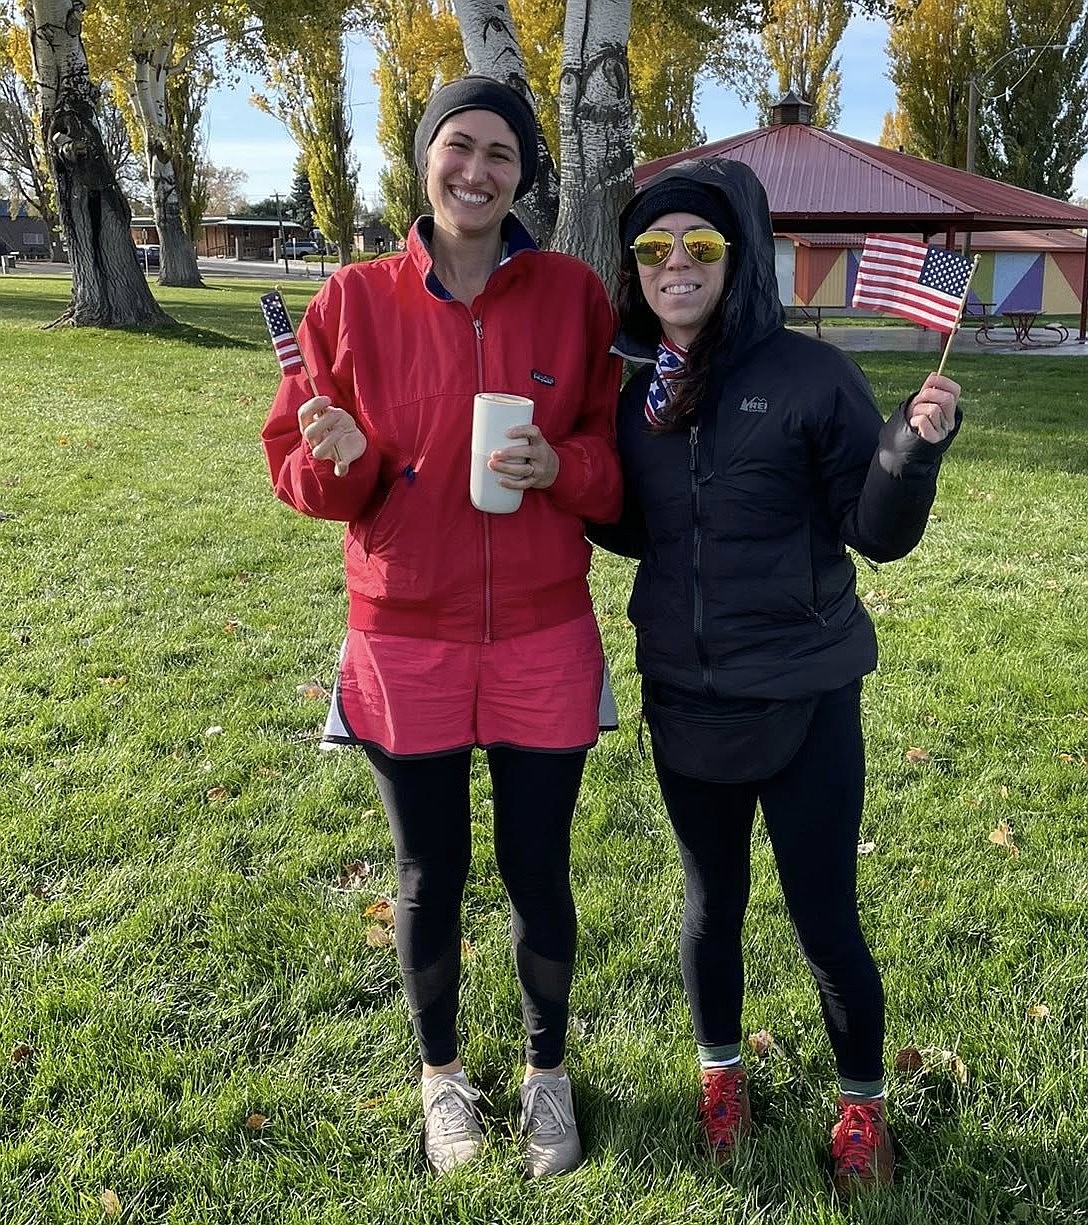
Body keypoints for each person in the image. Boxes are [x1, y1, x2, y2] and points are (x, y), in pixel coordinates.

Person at [261, 76, 622, 1177]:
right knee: (429, 871)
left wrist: (562, 465)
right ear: (423, 160)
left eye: (500, 154)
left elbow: (614, 468)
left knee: (536, 866)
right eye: (457, 146)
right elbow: (303, 470)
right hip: (403, 635)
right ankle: (441, 1081)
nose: (476, 170)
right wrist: (339, 462)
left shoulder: (570, 293)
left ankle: (546, 1076)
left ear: (524, 175)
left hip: (541, 632)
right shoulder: (351, 300)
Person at [587, 158, 962, 1194]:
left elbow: (872, 535)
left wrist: (906, 452)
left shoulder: (808, 377)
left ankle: (858, 1107)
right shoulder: (634, 397)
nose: (674, 265)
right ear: (634, 266)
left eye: (698, 248)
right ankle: (720, 1083)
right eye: (654, 248)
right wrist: (558, 484)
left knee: (822, 916)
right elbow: (631, 526)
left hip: (802, 695)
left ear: (735, 259)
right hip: (684, 694)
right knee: (709, 907)